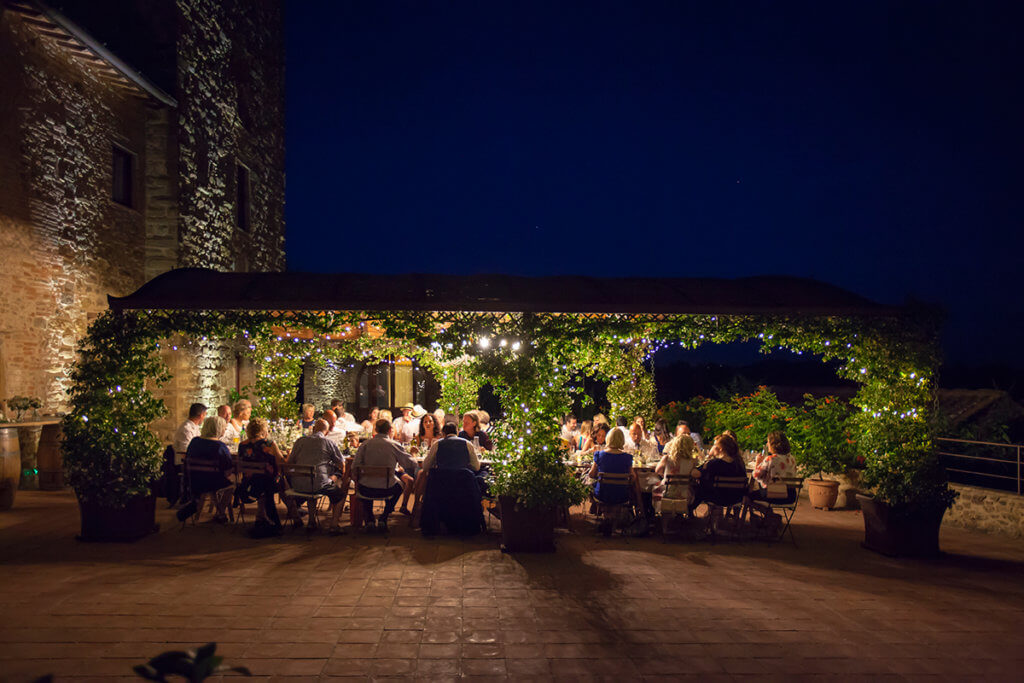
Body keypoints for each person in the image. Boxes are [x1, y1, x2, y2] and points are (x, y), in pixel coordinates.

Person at [352, 418, 418, 533]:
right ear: (389, 430)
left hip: (365, 489)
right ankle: (384, 517)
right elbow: (411, 464)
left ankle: (370, 520)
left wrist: (357, 480)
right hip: (387, 489)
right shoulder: (393, 445)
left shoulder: (365, 445)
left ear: (376, 429)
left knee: (365, 483)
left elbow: (354, 467)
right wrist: (413, 454)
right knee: (400, 485)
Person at [287, 419, 347, 533]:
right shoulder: (328, 443)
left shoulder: (300, 441)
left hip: (298, 485)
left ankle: (311, 521)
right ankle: (334, 525)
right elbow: (341, 463)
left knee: (313, 483)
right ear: (327, 432)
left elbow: (290, 462)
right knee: (340, 495)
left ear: (313, 429)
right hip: (318, 485)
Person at [237, 417, 284, 533]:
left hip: (248, 484)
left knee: (267, 479)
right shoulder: (269, 444)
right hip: (268, 485)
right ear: (264, 430)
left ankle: (261, 516)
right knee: (283, 480)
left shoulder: (242, 445)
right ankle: (294, 514)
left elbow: (240, 462)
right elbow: (281, 461)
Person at [184, 416, 235, 522]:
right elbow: (228, 470)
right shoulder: (220, 446)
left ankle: (219, 513)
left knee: (214, 479)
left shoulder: (194, 442)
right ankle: (220, 512)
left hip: (194, 481)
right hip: (213, 483)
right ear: (219, 429)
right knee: (232, 483)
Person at [690, 433, 747, 513]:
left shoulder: (714, 463)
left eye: (714, 445)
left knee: (699, 487)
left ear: (720, 449)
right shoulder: (739, 463)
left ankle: (688, 510)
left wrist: (691, 464)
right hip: (736, 498)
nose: (712, 447)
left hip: (718, 498)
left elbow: (696, 474)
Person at [588, 427, 634, 507]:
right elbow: (633, 477)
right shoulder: (627, 457)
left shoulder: (599, 455)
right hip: (622, 496)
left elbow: (591, 474)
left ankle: (595, 508)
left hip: (603, 495)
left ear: (608, 438)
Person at [751, 430, 798, 503]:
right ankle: (769, 513)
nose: (767, 444)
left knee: (748, 495)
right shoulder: (792, 458)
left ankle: (769, 513)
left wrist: (758, 462)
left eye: (768, 442)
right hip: (790, 496)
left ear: (773, 444)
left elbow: (755, 475)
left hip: (773, 494)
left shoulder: (771, 459)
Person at [656, 434, 697, 503]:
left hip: (666, 493)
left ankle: (651, 511)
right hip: (685, 495)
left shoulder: (667, 458)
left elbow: (657, 471)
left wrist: (664, 475)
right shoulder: (693, 461)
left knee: (653, 485)